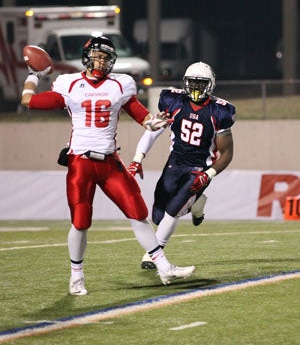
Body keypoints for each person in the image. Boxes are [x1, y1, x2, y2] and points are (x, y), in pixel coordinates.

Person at [21, 36, 195, 295]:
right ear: (87, 57)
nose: (101, 61)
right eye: (98, 56)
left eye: (106, 57)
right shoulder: (69, 84)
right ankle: (76, 277)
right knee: (80, 221)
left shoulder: (120, 84)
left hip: (110, 161)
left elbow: (140, 114)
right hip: (81, 162)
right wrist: (33, 76)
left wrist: (152, 122)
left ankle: (164, 267)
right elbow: (29, 101)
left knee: (138, 213)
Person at [128, 61, 236, 269]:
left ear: (210, 85)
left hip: (199, 168)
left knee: (172, 210)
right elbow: (154, 130)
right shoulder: (174, 102)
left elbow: (227, 153)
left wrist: (209, 174)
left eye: (200, 84)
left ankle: (153, 255)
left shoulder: (219, 112)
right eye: (192, 83)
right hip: (175, 162)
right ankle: (196, 205)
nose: (195, 88)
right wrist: (137, 158)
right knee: (158, 216)